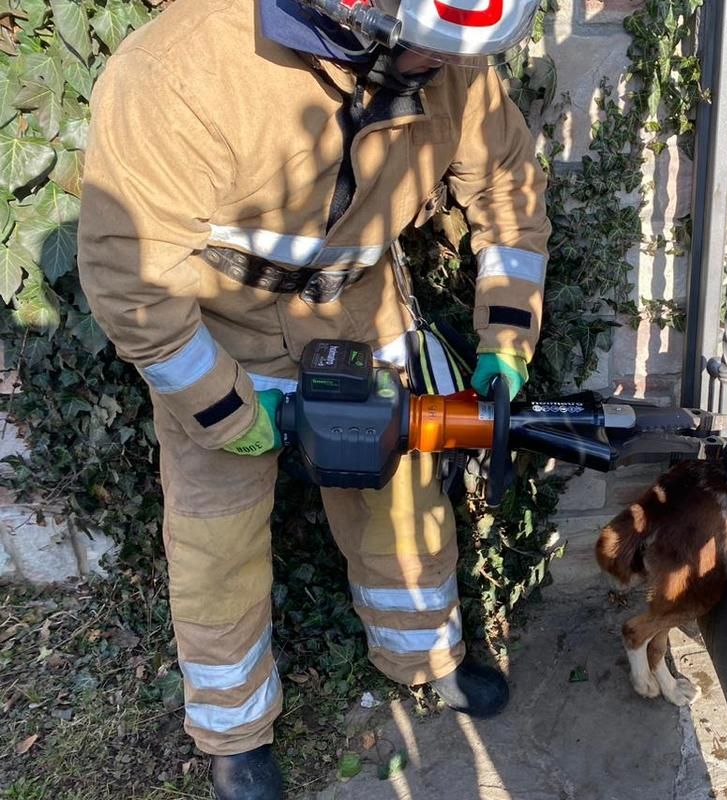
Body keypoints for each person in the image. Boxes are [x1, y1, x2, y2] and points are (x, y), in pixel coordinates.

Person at [77, 0, 550, 796]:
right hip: (220, 325)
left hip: (362, 310)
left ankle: (427, 657)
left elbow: (509, 194)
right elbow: (133, 283)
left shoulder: (453, 61)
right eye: (428, 51)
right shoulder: (179, 69)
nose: (447, 70)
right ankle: (234, 732)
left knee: (404, 503)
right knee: (216, 539)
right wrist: (225, 408)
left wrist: (506, 335)